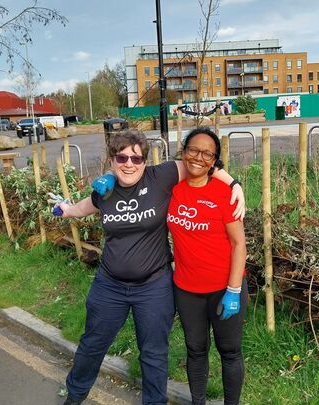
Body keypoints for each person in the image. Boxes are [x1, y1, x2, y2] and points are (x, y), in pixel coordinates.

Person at [54, 129, 244, 405]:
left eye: (136, 158)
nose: (129, 163)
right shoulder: (104, 190)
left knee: (153, 353)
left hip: (153, 286)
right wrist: (66, 209)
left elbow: (200, 163)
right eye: (121, 158)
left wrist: (234, 184)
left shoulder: (160, 177)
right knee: (93, 344)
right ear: (111, 160)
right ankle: (75, 395)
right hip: (110, 285)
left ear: (145, 160)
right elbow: (86, 207)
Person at [167, 127, 247, 405]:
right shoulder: (172, 190)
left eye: (207, 153)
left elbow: (239, 245)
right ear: (184, 151)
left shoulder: (225, 194)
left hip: (224, 288)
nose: (198, 157)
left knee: (230, 351)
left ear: (214, 161)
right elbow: (136, 174)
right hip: (187, 289)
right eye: (193, 150)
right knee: (195, 350)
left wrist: (234, 290)